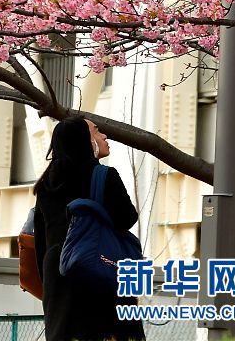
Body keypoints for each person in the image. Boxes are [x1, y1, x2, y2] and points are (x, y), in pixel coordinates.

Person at [33, 117, 145, 341]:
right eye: (97, 131)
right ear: (85, 141)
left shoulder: (46, 183)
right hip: (96, 268)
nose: (105, 136)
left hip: (58, 276)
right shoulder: (103, 175)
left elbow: (41, 241)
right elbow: (127, 218)